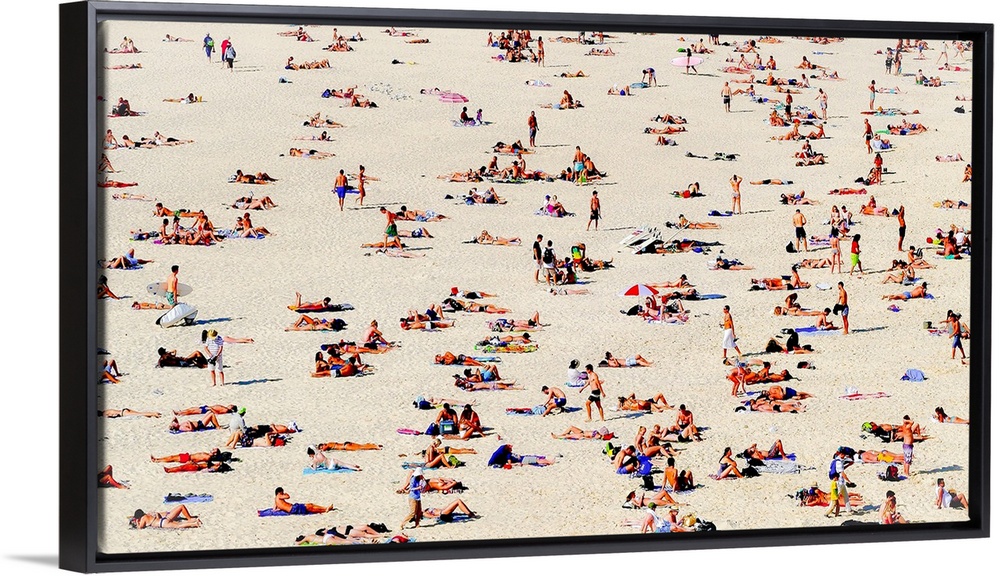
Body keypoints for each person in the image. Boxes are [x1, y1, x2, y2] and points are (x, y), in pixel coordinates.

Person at [130, 505, 202, 529]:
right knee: (181, 506)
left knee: (178, 525)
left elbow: (140, 528)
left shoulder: (143, 519)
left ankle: (195, 524)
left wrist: (137, 522)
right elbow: (157, 515)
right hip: (164, 519)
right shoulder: (148, 515)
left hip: (162, 523)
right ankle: (190, 519)